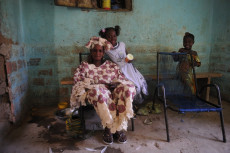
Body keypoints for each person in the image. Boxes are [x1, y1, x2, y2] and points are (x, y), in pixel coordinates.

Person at [70, 36, 136, 144]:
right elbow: (78, 81)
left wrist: (115, 84)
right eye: (95, 50)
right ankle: (108, 127)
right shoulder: (84, 66)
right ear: (91, 52)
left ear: (104, 52)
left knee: (127, 89)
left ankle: (119, 127)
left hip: (112, 91)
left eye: (100, 51)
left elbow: (121, 78)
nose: (97, 53)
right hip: (96, 92)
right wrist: (96, 86)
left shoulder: (111, 65)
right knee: (99, 93)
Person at [99, 25, 148, 104]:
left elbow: (128, 55)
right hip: (120, 71)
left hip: (129, 68)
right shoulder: (106, 49)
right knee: (130, 85)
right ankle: (130, 103)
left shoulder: (122, 44)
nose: (112, 38)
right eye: (109, 36)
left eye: (114, 36)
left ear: (117, 35)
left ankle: (137, 103)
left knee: (139, 83)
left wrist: (130, 59)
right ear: (105, 38)